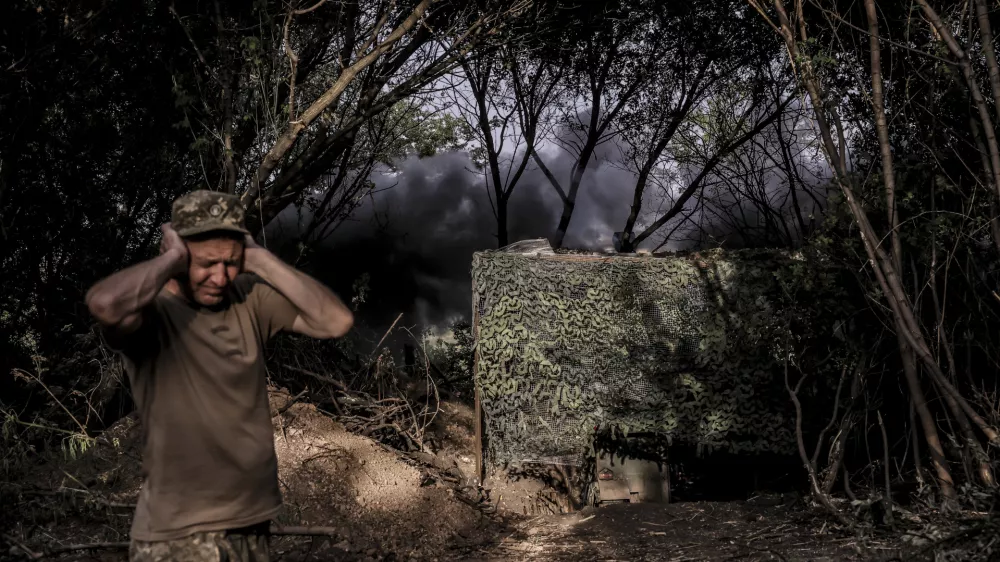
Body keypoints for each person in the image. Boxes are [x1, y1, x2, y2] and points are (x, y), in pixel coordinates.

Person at [85, 190, 353, 562]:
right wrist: (174, 258)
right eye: (207, 262)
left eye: (231, 262)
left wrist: (260, 260)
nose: (220, 277)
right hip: (180, 532)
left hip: (252, 519)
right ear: (178, 256)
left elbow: (336, 322)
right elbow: (105, 306)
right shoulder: (153, 311)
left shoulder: (249, 297)